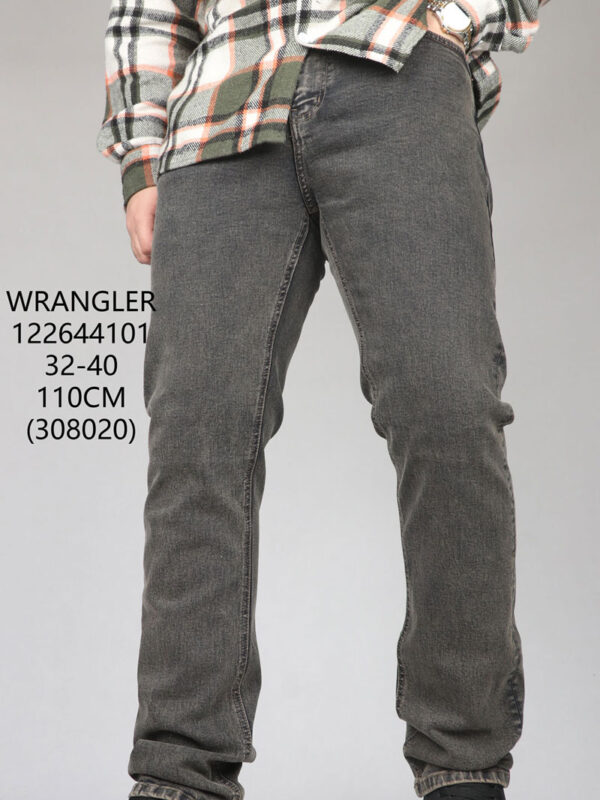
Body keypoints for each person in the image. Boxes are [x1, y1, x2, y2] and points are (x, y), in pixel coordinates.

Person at [96, 0, 549, 798]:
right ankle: (178, 776)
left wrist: (447, 20)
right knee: (194, 439)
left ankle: (465, 767)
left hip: (397, 62)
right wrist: (140, 151)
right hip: (222, 99)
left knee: (449, 408)